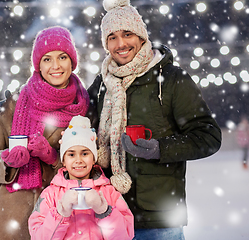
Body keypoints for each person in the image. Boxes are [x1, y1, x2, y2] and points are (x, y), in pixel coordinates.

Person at [86, 0, 222, 239]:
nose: (121, 44)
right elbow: (74, 118)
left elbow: (208, 135)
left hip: (158, 217)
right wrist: (17, 105)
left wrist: (160, 149)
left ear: (141, 37)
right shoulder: (102, 84)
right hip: (109, 212)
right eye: (112, 37)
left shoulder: (171, 79)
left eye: (127, 34)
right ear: (106, 44)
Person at [0, 26, 94, 240]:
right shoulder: (15, 103)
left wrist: (54, 159)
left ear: (72, 61)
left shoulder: (85, 107)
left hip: (60, 217)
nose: (55, 66)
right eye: (47, 59)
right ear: (38, 64)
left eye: (62, 57)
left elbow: (93, 166)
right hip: (9, 216)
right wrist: (6, 160)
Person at [28, 115, 134, 240]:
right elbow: (38, 236)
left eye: (85, 153)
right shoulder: (50, 195)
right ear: (63, 161)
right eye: (71, 154)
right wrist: (60, 214)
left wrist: (104, 211)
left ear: (94, 158)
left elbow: (126, 235)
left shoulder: (109, 192)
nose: (78, 160)